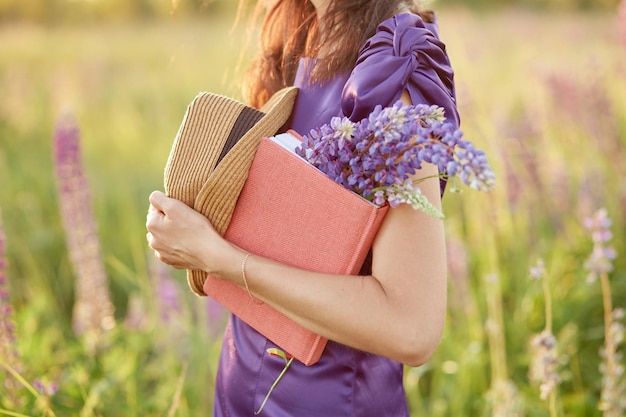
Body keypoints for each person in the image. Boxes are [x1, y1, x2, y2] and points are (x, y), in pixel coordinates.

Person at [146, 0, 459, 414]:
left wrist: (218, 257)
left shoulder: (392, 73)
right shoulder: (308, 34)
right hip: (241, 385)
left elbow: (411, 328)